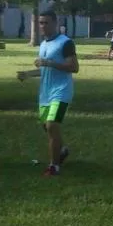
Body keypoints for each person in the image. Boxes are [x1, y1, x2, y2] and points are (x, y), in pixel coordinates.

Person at [17, 10, 79, 177]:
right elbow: (44, 69)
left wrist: (49, 62)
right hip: (45, 93)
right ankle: (62, 150)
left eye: (46, 22)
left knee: (52, 124)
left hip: (61, 91)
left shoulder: (65, 43)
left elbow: (74, 67)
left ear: (55, 23)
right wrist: (28, 74)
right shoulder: (44, 44)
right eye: (41, 23)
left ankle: (54, 166)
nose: (43, 26)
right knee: (48, 127)